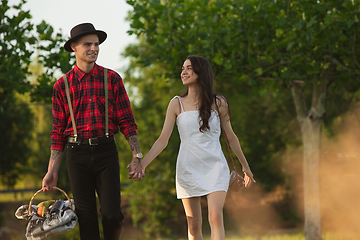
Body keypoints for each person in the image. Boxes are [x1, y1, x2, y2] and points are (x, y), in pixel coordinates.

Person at [129, 55, 256, 240]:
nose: (184, 72)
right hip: (188, 168)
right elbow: (163, 140)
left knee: (215, 217)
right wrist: (143, 164)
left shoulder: (219, 102)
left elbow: (231, 137)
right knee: (194, 225)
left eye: (189, 68)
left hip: (215, 166)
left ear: (201, 72)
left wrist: (246, 167)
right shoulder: (176, 103)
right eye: (182, 68)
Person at [42, 23, 143, 240]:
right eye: (87, 44)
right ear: (74, 48)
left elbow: (127, 121)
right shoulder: (62, 86)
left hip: (106, 151)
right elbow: (58, 132)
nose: (93, 48)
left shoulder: (112, 79)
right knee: (85, 216)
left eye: (96, 44)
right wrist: (52, 170)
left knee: (112, 214)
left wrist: (137, 156)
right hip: (76, 154)